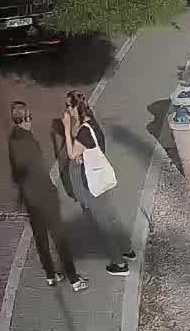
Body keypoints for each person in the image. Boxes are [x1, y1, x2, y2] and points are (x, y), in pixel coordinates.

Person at [7, 102, 87, 290]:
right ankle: (74, 279)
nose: (31, 120)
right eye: (29, 117)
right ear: (24, 119)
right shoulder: (29, 142)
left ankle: (51, 275)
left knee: (40, 237)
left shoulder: (12, 139)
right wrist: (51, 190)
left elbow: (17, 172)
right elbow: (38, 171)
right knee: (59, 237)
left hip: (30, 199)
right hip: (44, 197)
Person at [56, 91, 135, 276]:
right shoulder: (91, 123)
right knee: (112, 216)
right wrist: (84, 156)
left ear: (75, 107)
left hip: (94, 183)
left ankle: (119, 264)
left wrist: (66, 128)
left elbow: (71, 154)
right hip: (102, 177)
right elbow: (93, 148)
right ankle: (127, 249)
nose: (66, 109)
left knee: (104, 223)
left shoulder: (83, 131)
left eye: (68, 106)